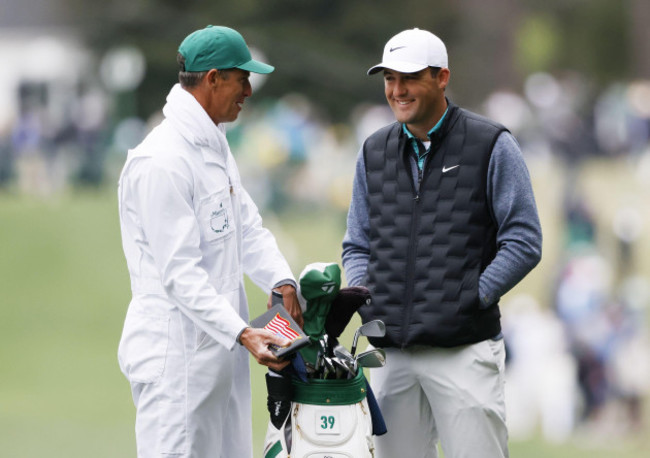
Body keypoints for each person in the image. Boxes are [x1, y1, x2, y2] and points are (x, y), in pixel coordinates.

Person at [342, 28, 542, 458]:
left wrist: (471, 296)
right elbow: (357, 243)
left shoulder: (491, 144)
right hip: (390, 353)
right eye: (389, 79)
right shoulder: (373, 151)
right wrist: (366, 298)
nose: (397, 90)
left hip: (463, 350)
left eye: (409, 78)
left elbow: (524, 240)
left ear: (441, 77)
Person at [117, 25, 303, 458]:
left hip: (219, 354)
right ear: (214, 78)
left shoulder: (212, 142)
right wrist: (242, 332)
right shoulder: (162, 159)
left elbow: (246, 227)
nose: (250, 91)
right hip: (176, 363)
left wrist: (280, 279)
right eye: (243, 78)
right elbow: (179, 274)